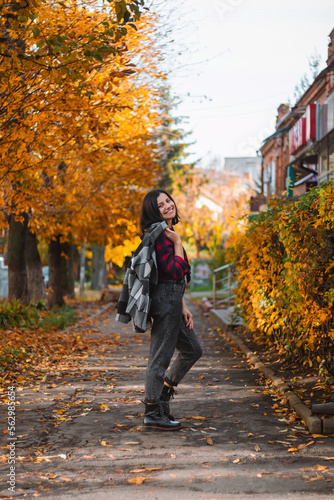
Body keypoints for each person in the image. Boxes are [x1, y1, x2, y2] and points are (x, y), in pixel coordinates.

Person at [139, 189, 203, 431]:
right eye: (160, 205)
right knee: (160, 358)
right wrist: (177, 243)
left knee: (192, 350)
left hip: (175, 300)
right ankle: (152, 411)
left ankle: (164, 394)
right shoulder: (160, 236)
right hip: (166, 301)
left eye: (168, 200)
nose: (168, 206)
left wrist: (184, 305)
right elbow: (175, 271)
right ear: (153, 212)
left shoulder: (168, 233)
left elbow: (179, 278)